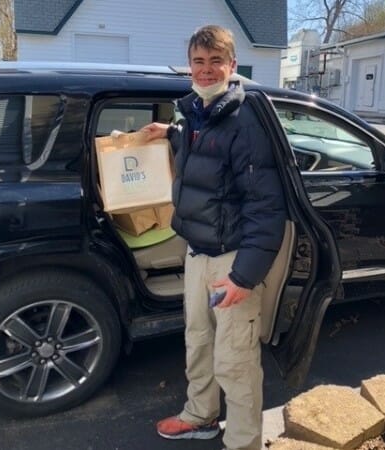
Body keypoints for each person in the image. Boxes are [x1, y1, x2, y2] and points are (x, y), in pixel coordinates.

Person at [141, 24, 287, 450]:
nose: (205, 70)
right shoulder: (198, 113)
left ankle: (243, 442)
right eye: (198, 62)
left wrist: (244, 277)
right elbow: (206, 150)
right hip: (198, 254)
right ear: (190, 66)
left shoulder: (246, 121)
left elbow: (266, 207)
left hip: (232, 260)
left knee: (236, 361)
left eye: (215, 62)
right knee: (198, 343)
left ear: (232, 65)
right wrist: (169, 134)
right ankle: (200, 415)